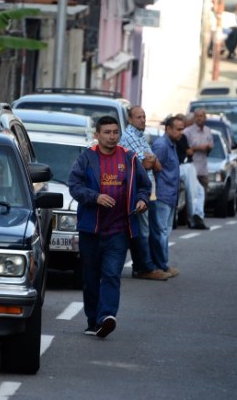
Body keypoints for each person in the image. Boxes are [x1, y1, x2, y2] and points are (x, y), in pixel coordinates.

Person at [68, 116, 151, 338]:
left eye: (115, 132)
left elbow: (145, 185)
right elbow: (74, 186)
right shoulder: (86, 159)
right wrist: (95, 197)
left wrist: (142, 200)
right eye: (107, 132)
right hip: (91, 230)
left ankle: (107, 317)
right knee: (91, 278)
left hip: (119, 230)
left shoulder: (130, 159)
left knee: (112, 274)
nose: (112, 136)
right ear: (97, 135)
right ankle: (93, 320)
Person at [118, 106, 169, 281]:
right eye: (139, 117)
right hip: (137, 191)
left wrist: (151, 160)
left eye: (144, 117)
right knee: (143, 230)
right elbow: (145, 165)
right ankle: (144, 268)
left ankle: (148, 266)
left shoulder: (141, 137)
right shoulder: (128, 137)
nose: (143, 120)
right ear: (130, 120)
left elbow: (157, 165)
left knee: (147, 230)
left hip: (148, 190)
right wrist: (150, 160)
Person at [149, 116, 185, 278]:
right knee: (160, 232)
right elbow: (153, 169)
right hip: (162, 195)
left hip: (170, 195)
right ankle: (160, 265)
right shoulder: (161, 145)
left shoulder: (172, 146)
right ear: (168, 129)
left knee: (165, 231)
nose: (181, 133)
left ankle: (163, 265)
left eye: (182, 129)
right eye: (178, 129)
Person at [174, 114, 208, 230]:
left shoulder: (180, 136)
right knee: (193, 192)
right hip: (184, 166)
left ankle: (198, 216)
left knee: (199, 191)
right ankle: (193, 218)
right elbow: (189, 152)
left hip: (185, 166)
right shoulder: (180, 137)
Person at [183, 108, 214, 202]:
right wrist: (199, 148)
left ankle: (199, 215)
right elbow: (185, 149)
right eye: (197, 116)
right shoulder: (187, 132)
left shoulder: (208, 130)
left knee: (202, 195)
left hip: (203, 169)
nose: (199, 118)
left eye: (201, 116)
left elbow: (211, 145)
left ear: (205, 118)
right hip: (192, 168)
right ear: (194, 118)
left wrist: (208, 147)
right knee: (191, 196)